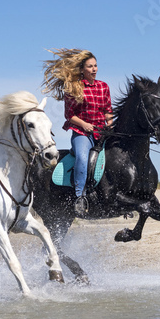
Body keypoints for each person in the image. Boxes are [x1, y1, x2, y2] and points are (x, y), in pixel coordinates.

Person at [42, 48, 113, 215]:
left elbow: (107, 110)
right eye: (90, 66)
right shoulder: (74, 88)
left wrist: (109, 122)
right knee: (82, 157)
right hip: (82, 133)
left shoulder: (103, 86)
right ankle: (80, 197)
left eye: (95, 66)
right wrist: (85, 125)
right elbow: (69, 115)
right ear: (82, 69)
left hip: (102, 133)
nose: (94, 69)